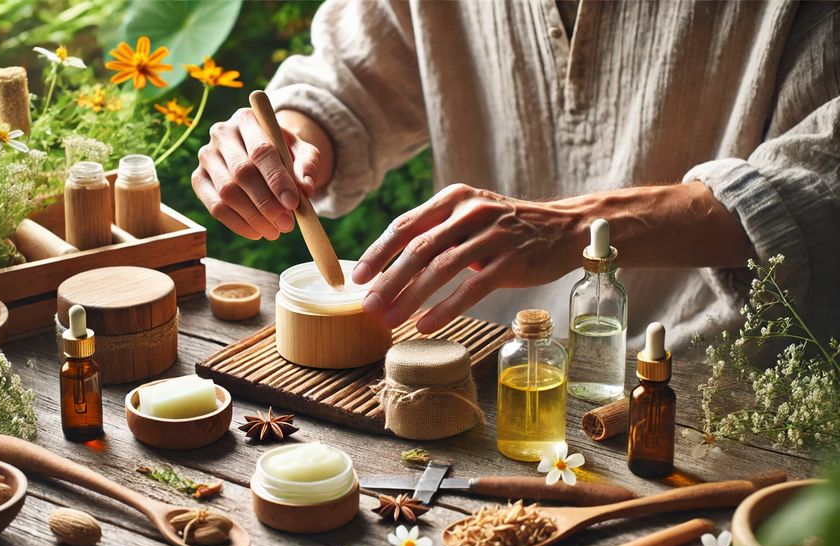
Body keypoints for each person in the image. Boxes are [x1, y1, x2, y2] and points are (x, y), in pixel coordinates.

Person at [192, 0, 840, 350]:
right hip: (482, 365)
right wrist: (294, 138)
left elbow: (823, 176)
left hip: (718, 390)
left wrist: (588, 226)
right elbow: (351, 78)